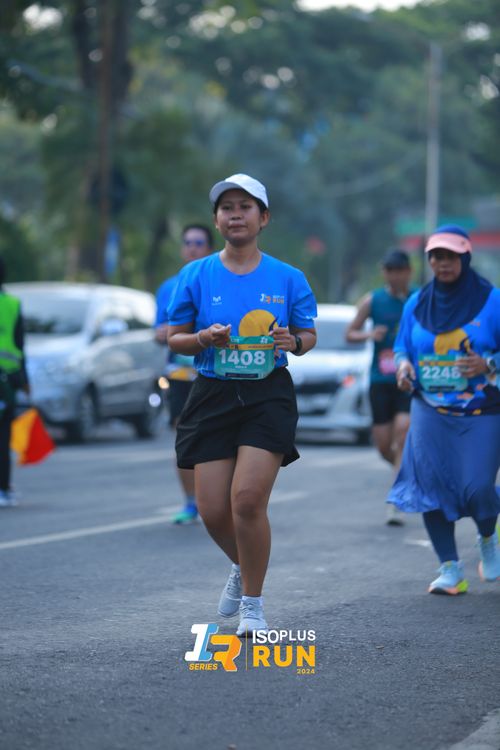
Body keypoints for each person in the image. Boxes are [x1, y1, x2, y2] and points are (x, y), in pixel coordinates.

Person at [167, 173, 317, 635]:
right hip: (213, 393)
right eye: (227, 208)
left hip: (267, 394)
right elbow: (175, 338)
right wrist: (203, 338)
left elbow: (308, 335)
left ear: (263, 218)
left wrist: (293, 341)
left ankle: (253, 602)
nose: (236, 215)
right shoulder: (196, 275)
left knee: (247, 501)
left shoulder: (288, 278)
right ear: (217, 220)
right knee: (213, 510)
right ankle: (243, 564)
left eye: (245, 207)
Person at [388, 224, 500, 594]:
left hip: (481, 412)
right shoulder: (417, 303)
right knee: (430, 487)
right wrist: (404, 368)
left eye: (451, 256)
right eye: (436, 256)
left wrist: (488, 364)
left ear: (465, 257)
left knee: (478, 489)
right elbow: (402, 348)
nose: (443, 263)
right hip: (429, 410)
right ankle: (450, 568)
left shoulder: (492, 301)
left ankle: (488, 536)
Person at [346, 249, 414, 525]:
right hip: (381, 380)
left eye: (399, 271)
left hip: (409, 378)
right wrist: (369, 334)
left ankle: (396, 499)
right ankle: (405, 469)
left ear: (408, 272)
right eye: (389, 271)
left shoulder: (419, 299)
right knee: (384, 445)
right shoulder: (372, 300)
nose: (394, 276)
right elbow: (350, 333)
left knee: (403, 431)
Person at [155, 224, 213, 524]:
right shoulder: (169, 287)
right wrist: (162, 333)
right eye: (187, 242)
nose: (192, 248)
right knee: (185, 437)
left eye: (198, 243)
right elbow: (159, 332)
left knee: (216, 438)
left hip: (214, 374)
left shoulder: (219, 281)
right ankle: (191, 502)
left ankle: (218, 499)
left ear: (210, 248)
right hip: (179, 375)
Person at [0, 257, 29, 507]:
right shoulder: (12, 304)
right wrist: (25, 382)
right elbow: (20, 346)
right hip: (6, 380)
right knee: (3, 435)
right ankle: (4, 488)